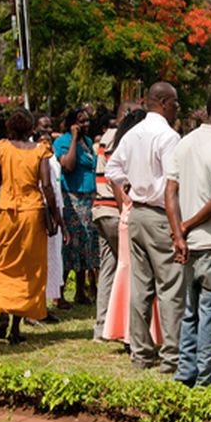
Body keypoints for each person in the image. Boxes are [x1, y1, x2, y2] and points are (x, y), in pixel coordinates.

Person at [105, 82, 184, 373]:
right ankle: (173, 355)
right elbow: (173, 185)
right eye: (175, 103)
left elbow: (112, 169)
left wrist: (131, 187)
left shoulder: (134, 133)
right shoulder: (168, 136)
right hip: (160, 216)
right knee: (170, 287)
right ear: (163, 102)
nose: (178, 109)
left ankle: (140, 352)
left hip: (137, 214)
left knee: (141, 287)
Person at [166, 90, 211, 387]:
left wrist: (179, 232)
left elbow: (170, 191)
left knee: (191, 314)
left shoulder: (184, 143)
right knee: (208, 318)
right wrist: (182, 228)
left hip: (190, 245)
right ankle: (206, 382)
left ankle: (185, 374)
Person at [0, 108, 62, 344]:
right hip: (32, 212)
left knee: (7, 265)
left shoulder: (1, 148)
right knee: (29, 269)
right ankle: (15, 327)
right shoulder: (40, 151)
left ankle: (3, 312)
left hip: (7, 212)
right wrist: (56, 217)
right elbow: (47, 187)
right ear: (31, 129)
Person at [100, 108, 163, 346]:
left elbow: (117, 187)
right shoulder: (139, 151)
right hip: (138, 212)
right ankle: (139, 333)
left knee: (129, 275)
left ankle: (129, 332)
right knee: (145, 278)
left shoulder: (124, 151)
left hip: (128, 215)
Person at [54, 105, 99, 305]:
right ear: (72, 123)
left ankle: (81, 292)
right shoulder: (62, 142)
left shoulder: (89, 142)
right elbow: (68, 165)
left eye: (87, 120)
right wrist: (73, 138)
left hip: (88, 199)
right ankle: (59, 294)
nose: (85, 124)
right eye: (81, 121)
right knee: (70, 245)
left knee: (86, 245)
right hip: (72, 198)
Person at [91, 106, 129, 341]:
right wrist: (125, 207)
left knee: (109, 268)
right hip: (113, 210)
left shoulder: (106, 137)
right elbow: (116, 175)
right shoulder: (118, 138)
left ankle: (102, 328)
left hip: (100, 210)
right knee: (129, 268)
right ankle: (123, 328)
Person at [36, 114, 66, 317]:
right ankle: (37, 307)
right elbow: (45, 186)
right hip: (43, 211)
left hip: (55, 208)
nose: (47, 132)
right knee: (41, 259)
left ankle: (45, 304)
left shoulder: (51, 154)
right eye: (43, 129)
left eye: (50, 129)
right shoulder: (35, 153)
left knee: (52, 259)